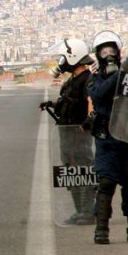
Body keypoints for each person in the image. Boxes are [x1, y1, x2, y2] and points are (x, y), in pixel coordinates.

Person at [85, 31, 128, 244]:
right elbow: (100, 94)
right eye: (104, 51)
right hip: (107, 138)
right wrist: (117, 76)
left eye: (111, 50)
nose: (108, 54)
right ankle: (101, 230)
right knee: (106, 182)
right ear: (98, 55)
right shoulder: (94, 79)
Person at [39, 39, 95, 225]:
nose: (61, 61)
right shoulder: (72, 80)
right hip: (67, 134)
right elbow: (69, 103)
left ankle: (87, 212)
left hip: (79, 135)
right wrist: (53, 105)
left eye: (64, 57)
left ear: (73, 57)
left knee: (83, 171)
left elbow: (90, 103)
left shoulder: (87, 80)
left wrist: (88, 122)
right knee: (71, 173)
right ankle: (79, 211)